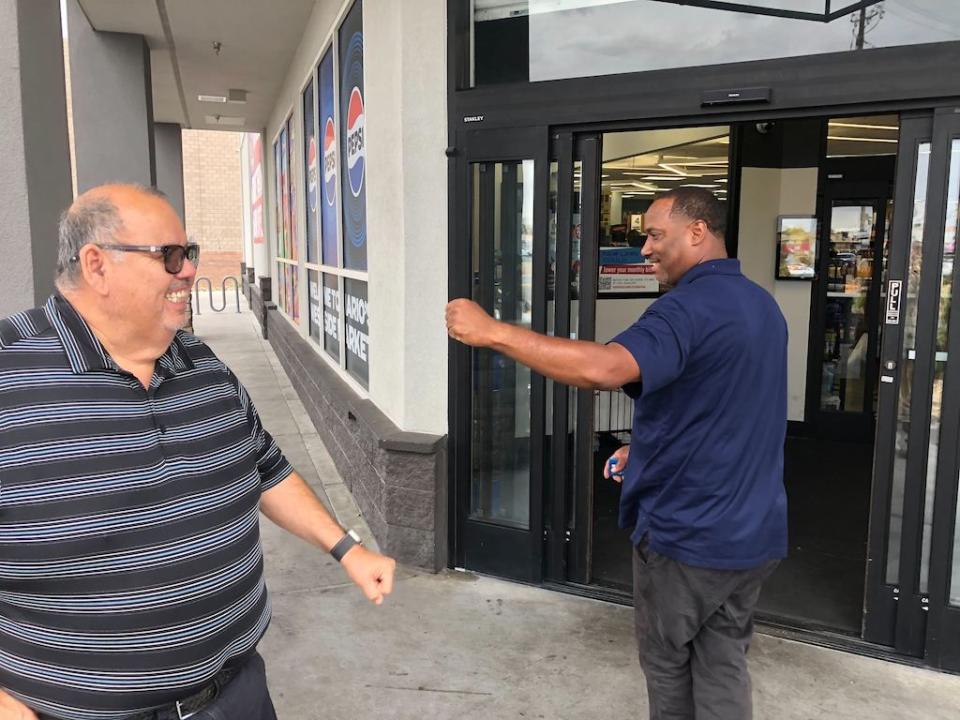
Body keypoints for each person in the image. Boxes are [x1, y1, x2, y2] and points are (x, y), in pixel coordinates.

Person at [0, 184, 396, 720]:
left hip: (237, 696)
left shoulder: (205, 366)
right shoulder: (11, 376)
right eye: (169, 255)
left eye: (190, 254)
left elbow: (266, 470)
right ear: (96, 265)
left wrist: (348, 548)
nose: (187, 270)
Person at [447, 187, 787, 720]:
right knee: (723, 662)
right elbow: (725, 407)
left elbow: (604, 369)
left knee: (667, 663)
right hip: (753, 533)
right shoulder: (761, 305)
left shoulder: (685, 309)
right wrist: (646, 450)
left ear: (697, 231)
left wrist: (493, 333)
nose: (645, 249)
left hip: (688, 536)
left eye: (655, 235)